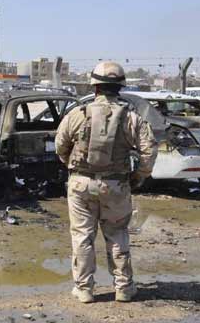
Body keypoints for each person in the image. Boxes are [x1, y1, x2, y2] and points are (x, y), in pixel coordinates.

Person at [55, 61, 158, 303]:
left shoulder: (77, 113)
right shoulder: (132, 117)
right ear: (120, 87)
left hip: (80, 184)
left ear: (95, 86)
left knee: (82, 236)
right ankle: (123, 288)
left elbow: (60, 146)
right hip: (116, 185)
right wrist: (139, 176)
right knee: (117, 234)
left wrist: (72, 167)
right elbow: (149, 152)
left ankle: (84, 289)